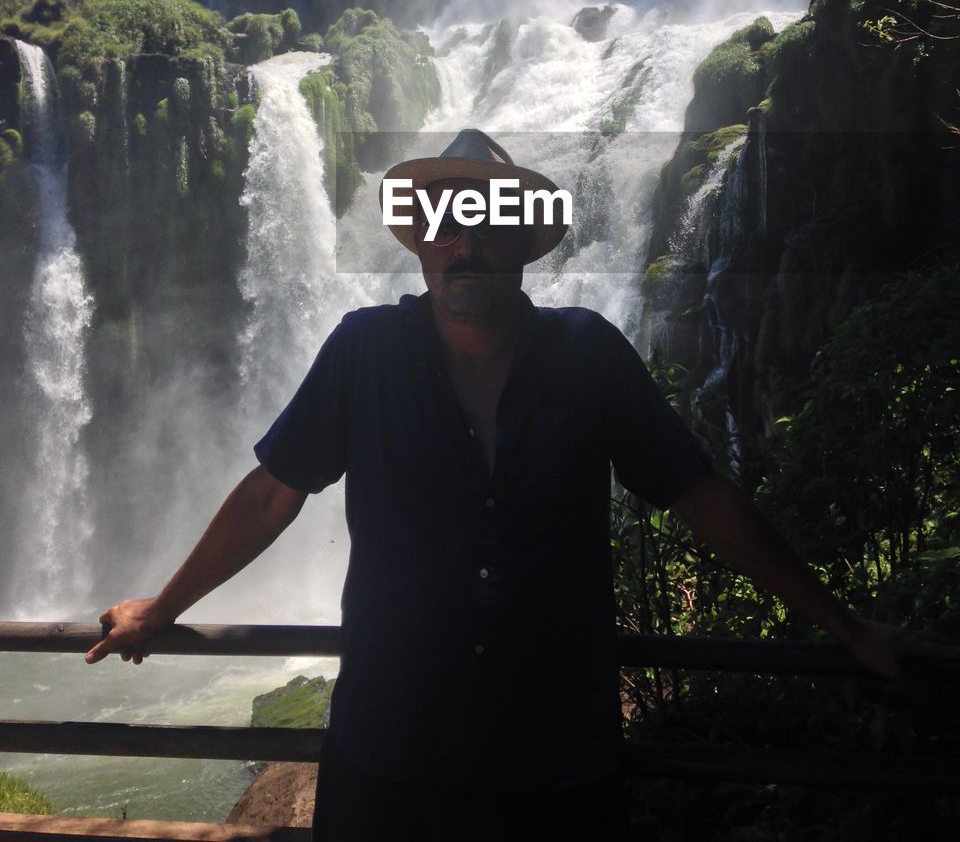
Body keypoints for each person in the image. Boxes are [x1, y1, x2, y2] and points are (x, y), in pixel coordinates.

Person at [85, 129, 954, 841]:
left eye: (490, 226)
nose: (467, 245)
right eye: (447, 225)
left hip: (556, 761)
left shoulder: (590, 355)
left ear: (522, 244)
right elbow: (272, 492)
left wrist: (846, 627)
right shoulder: (364, 352)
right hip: (392, 754)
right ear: (423, 241)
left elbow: (702, 494)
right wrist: (162, 608)